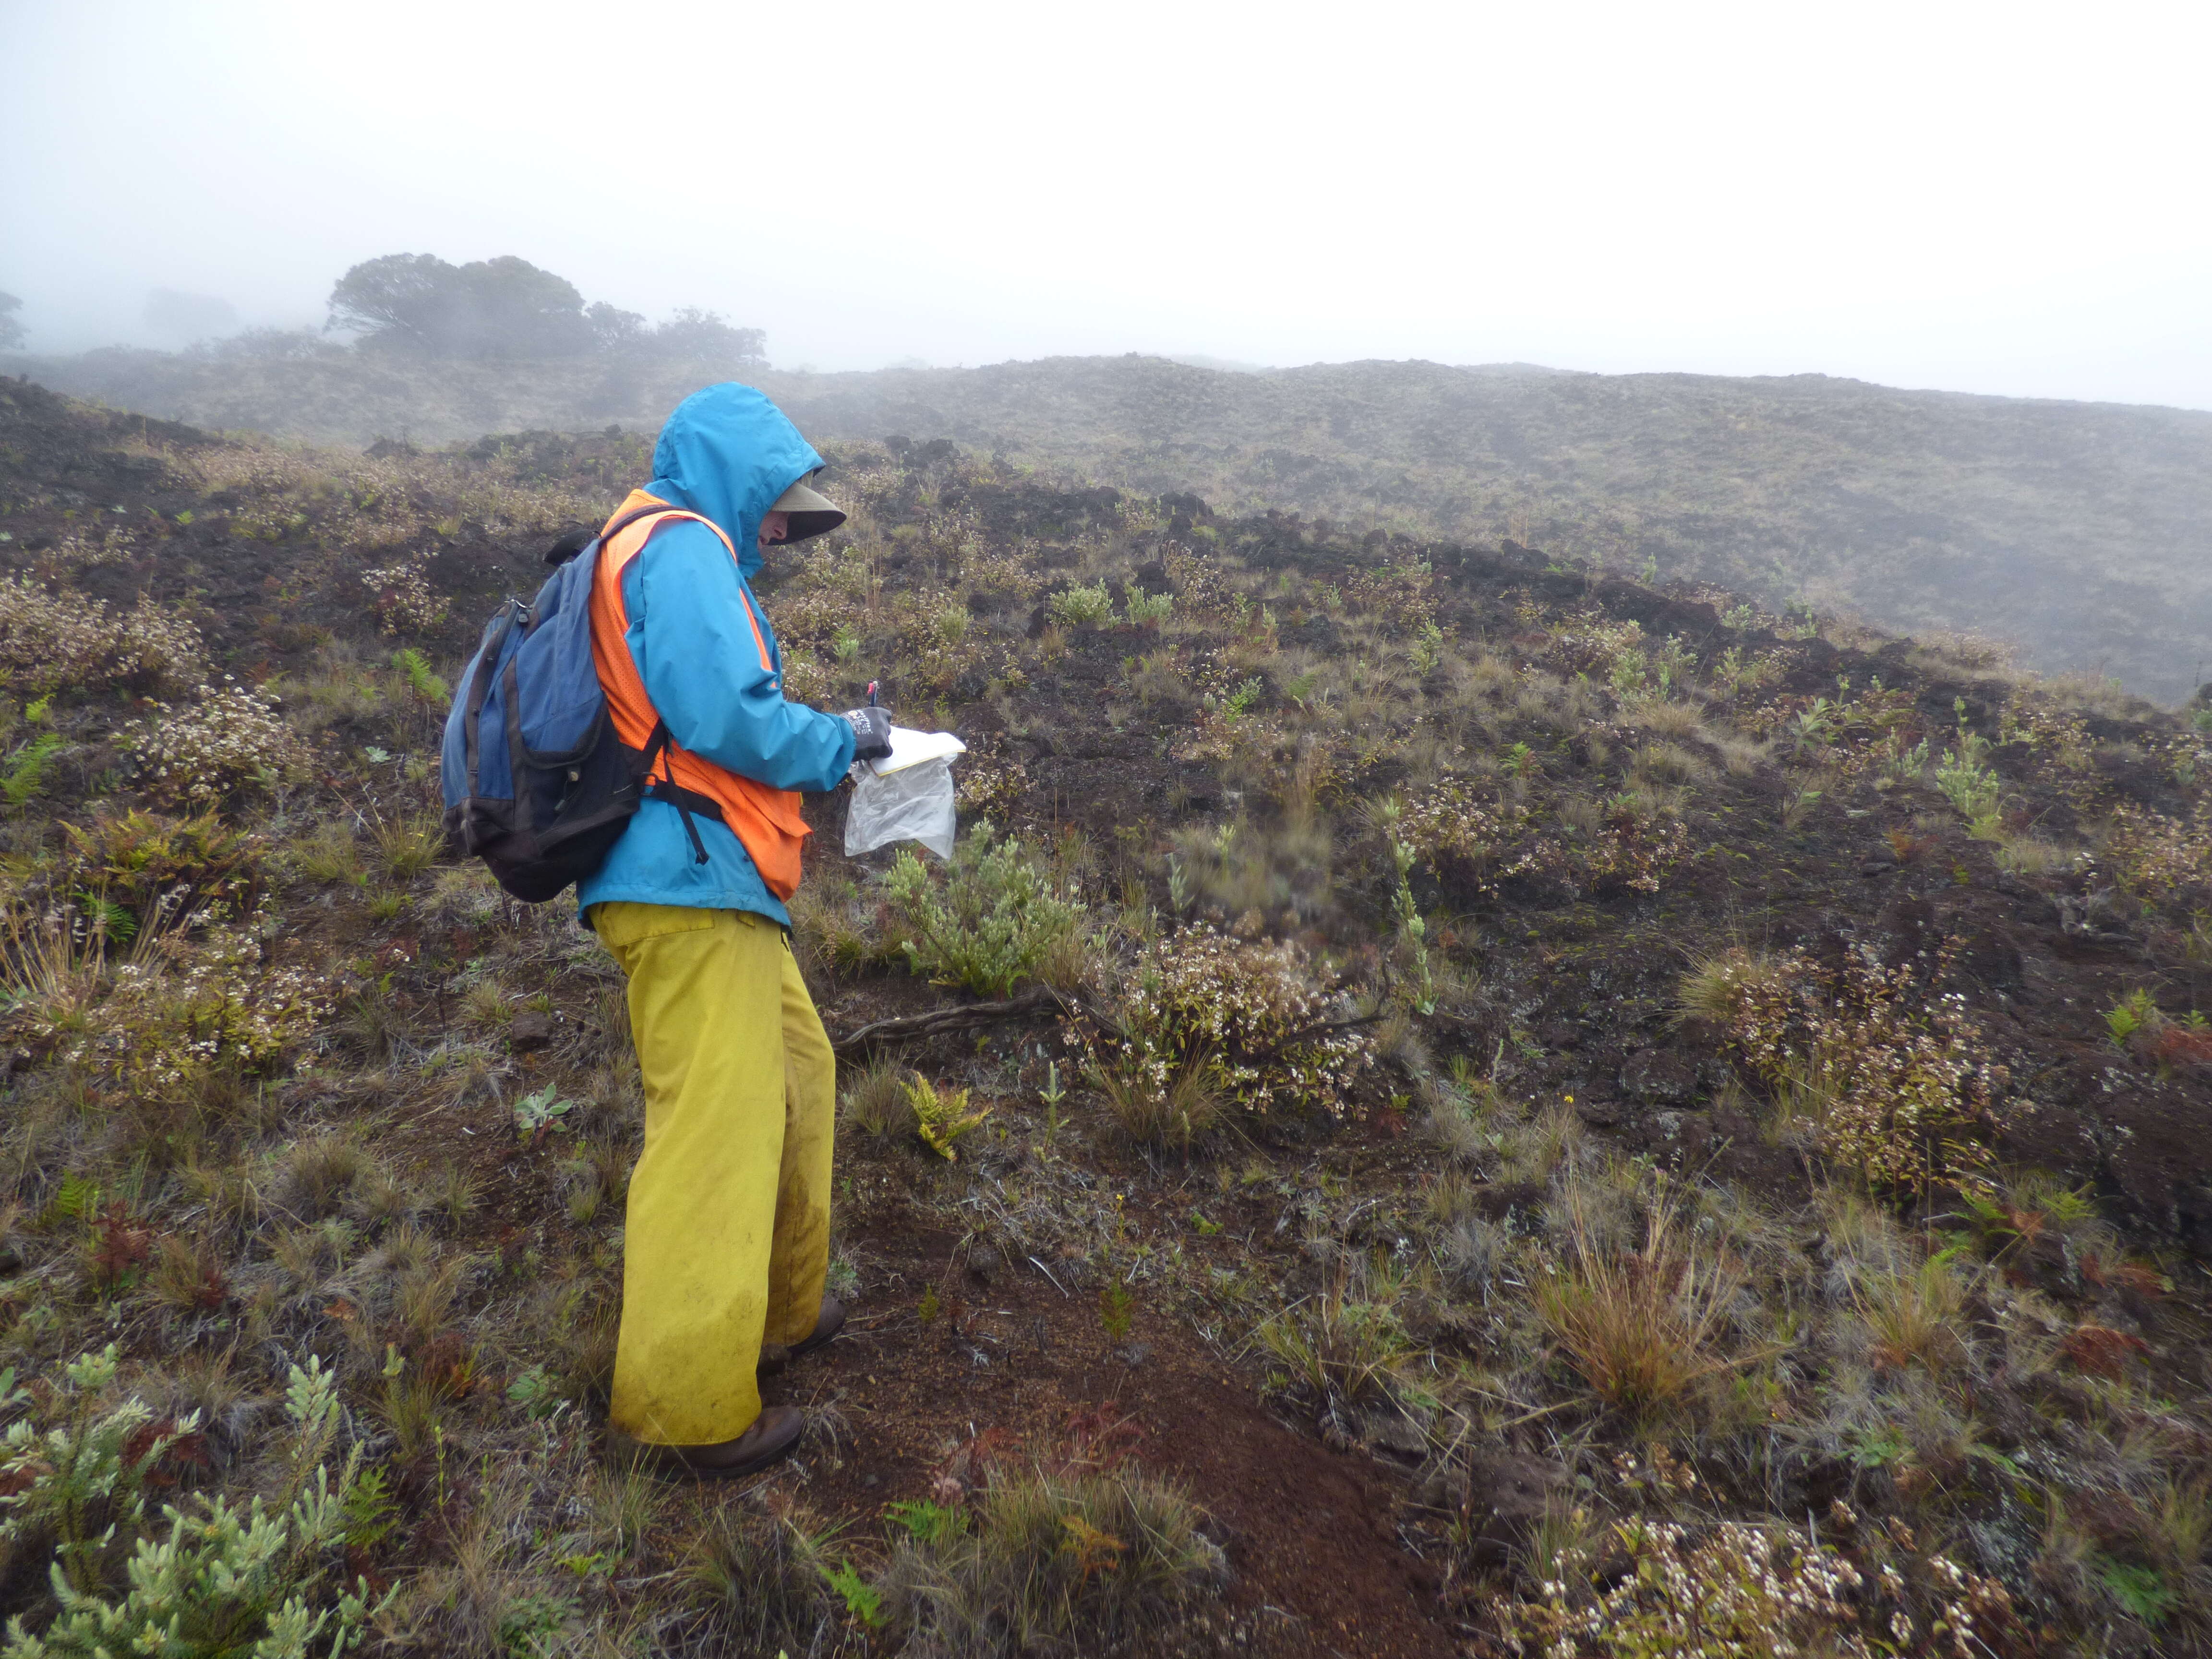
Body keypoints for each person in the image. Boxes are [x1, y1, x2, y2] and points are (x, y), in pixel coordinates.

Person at [583, 383, 891, 1478]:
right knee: (716, 1130)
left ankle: (776, 1311)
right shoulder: (681, 547)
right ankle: (685, 1406)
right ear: (736, 475)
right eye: (777, 502)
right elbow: (732, 721)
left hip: (715, 883)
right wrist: (848, 739)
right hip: (685, 880)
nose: (781, 528)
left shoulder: (667, 546)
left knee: (799, 1078)